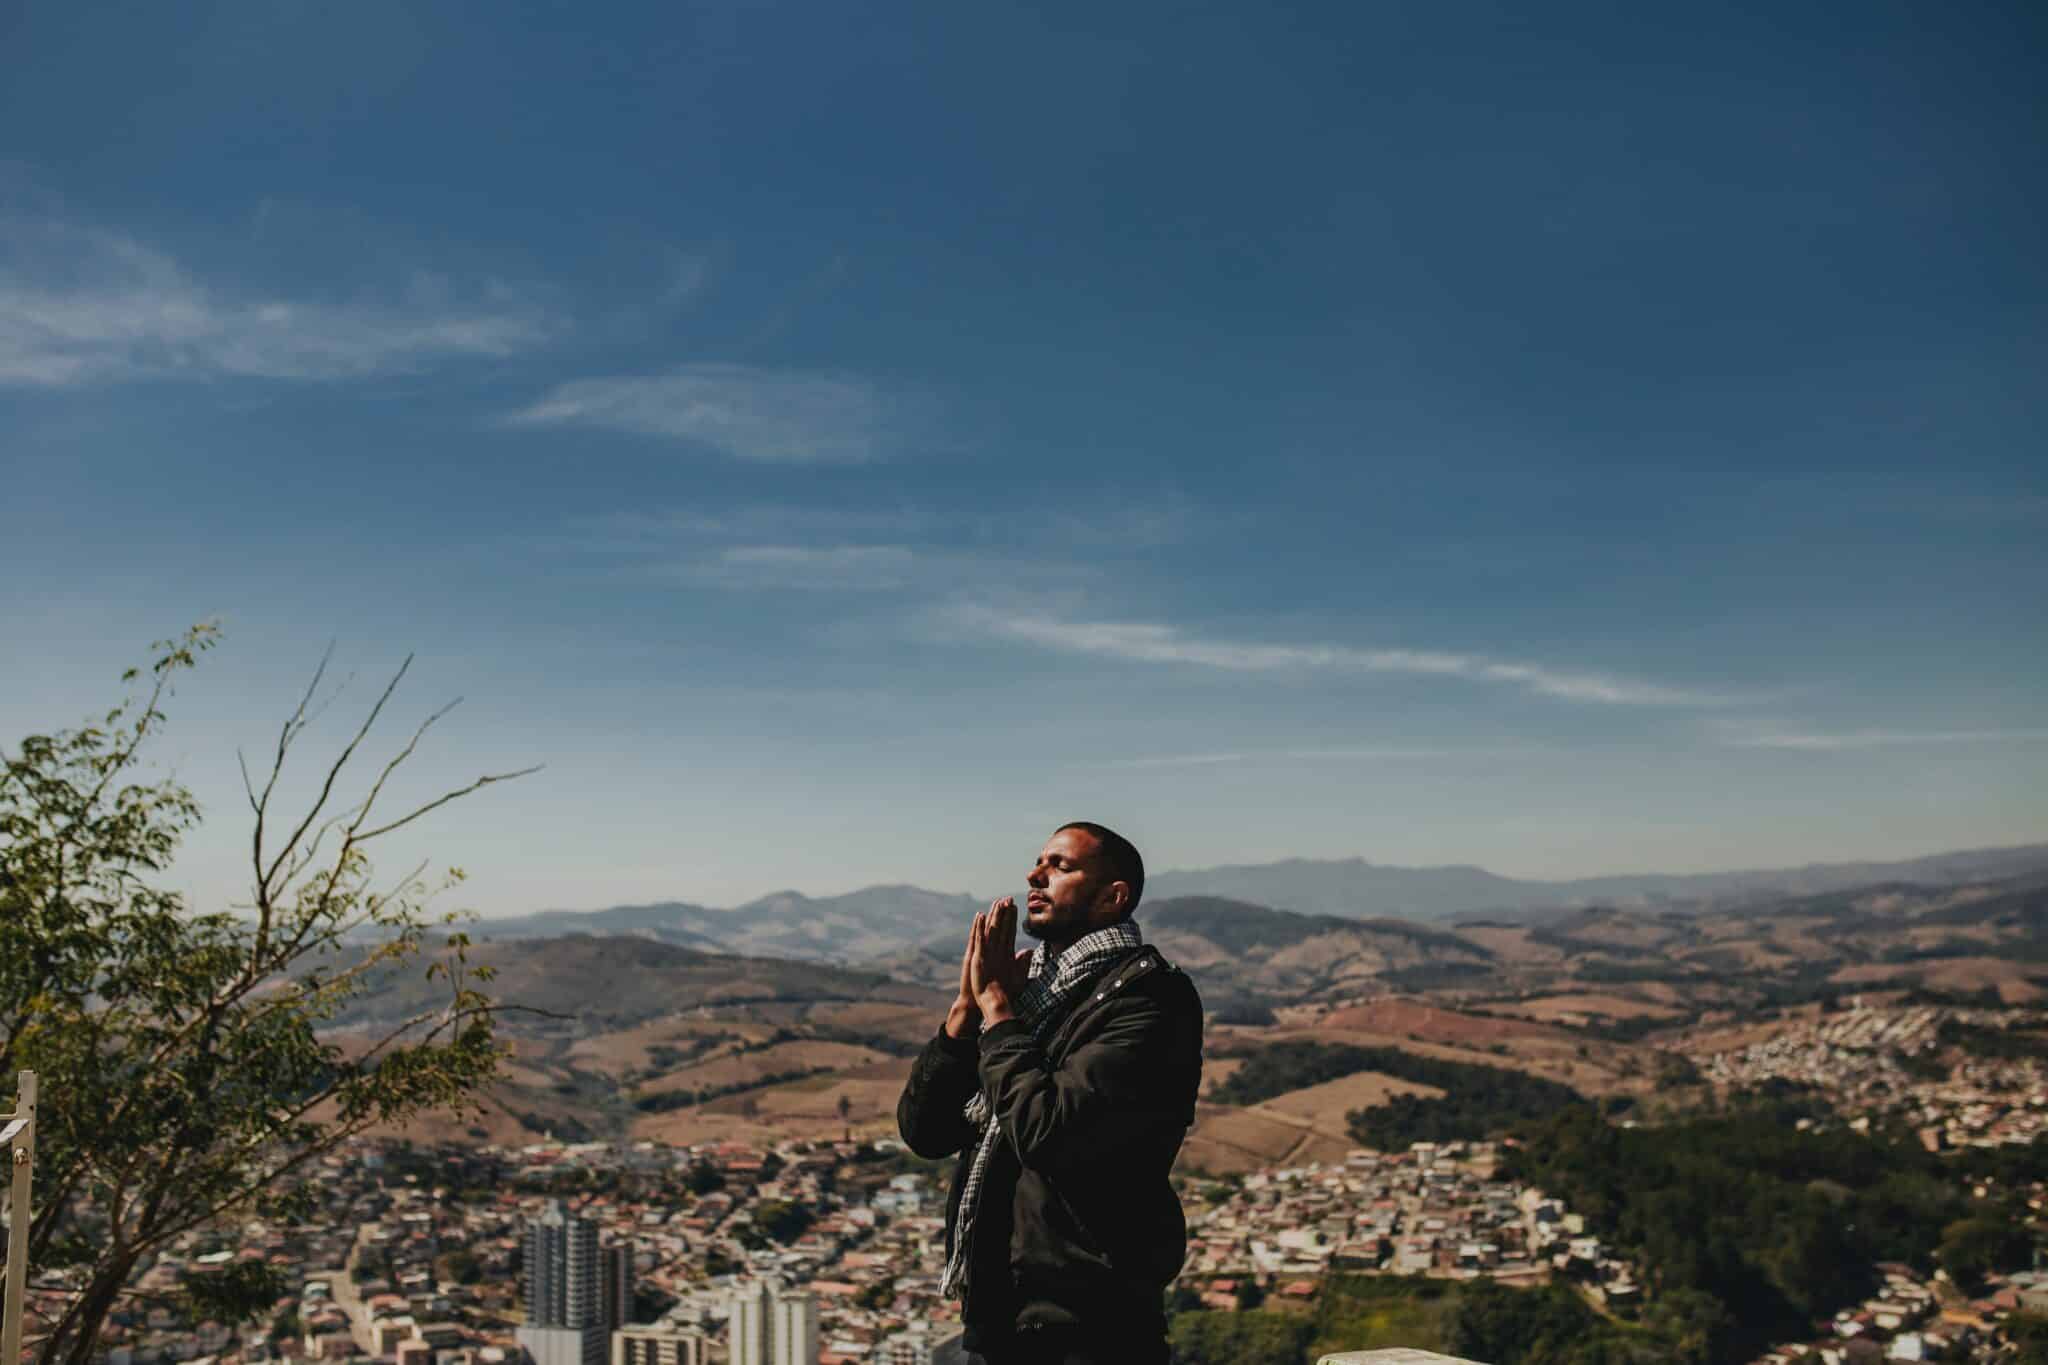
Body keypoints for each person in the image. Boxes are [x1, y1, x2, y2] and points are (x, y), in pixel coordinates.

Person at [896, 822, 1204, 1365]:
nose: (1034, 875)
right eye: (1040, 862)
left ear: (1114, 897)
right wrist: (966, 1014)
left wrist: (997, 1012)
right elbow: (925, 1131)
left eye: (1061, 866)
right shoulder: (1032, 994)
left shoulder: (1149, 999)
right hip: (997, 1316)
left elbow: (1047, 1130)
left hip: (1090, 1326)